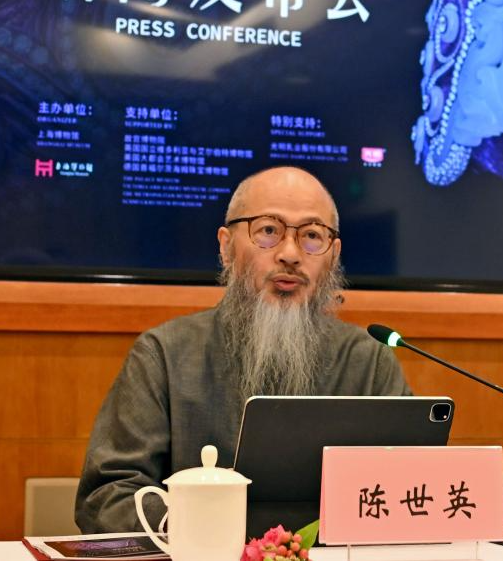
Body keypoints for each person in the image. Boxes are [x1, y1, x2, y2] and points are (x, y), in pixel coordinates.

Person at [76, 167, 410, 532]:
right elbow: (108, 496)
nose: (290, 254)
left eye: (312, 236)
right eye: (268, 231)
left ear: (333, 255)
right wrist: (211, 530)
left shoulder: (368, 361)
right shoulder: (164, 355)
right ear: (225, 247)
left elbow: (411, 489)